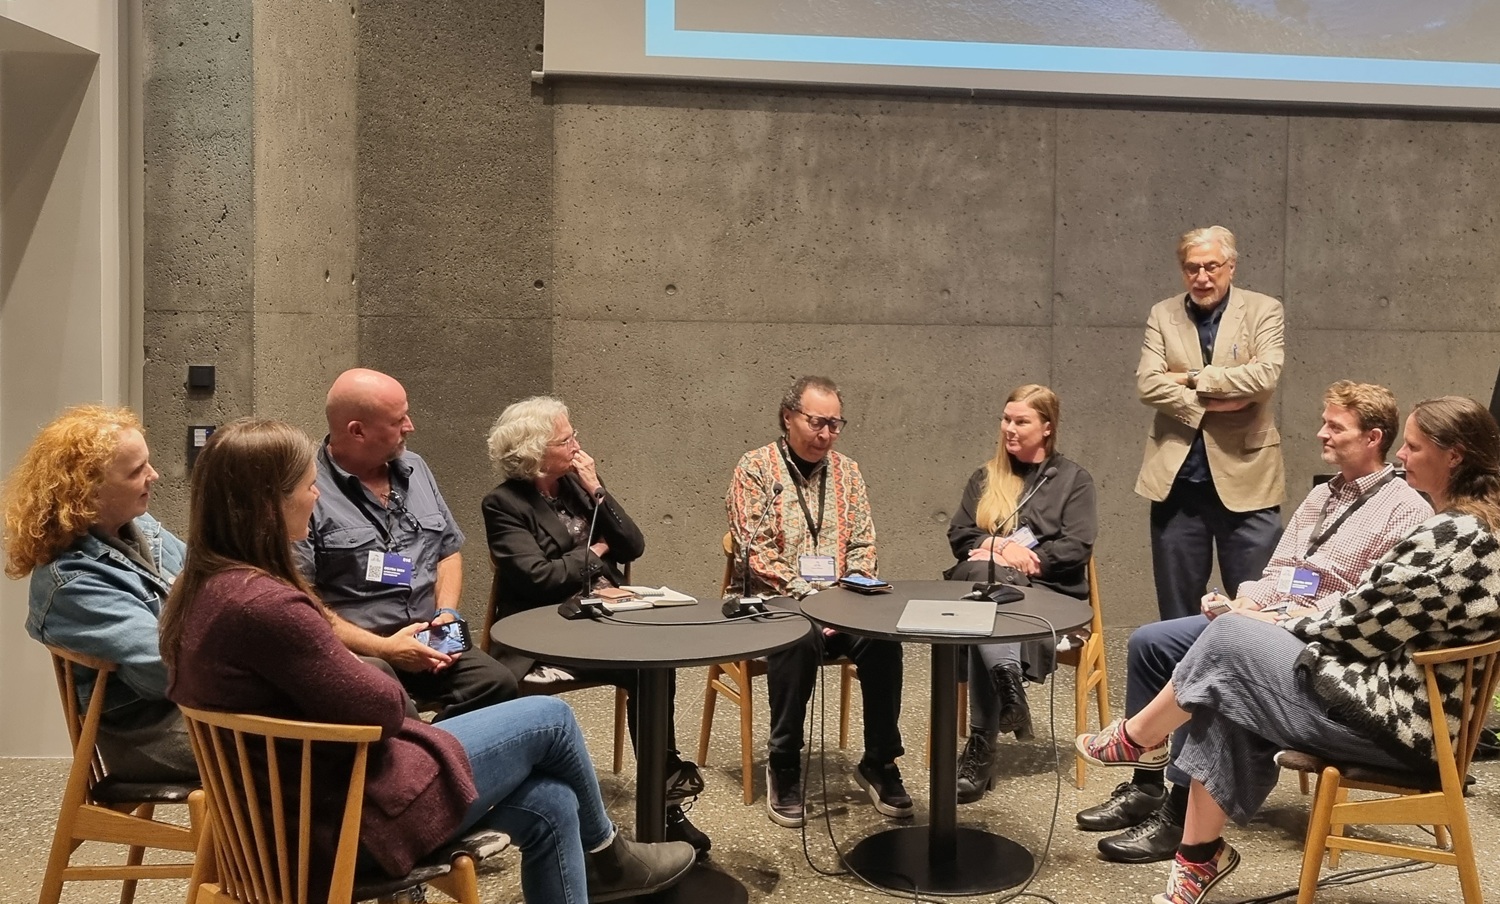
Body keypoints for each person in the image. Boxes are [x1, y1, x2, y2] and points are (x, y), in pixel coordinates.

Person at [160, 418, 695, 903]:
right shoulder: (268, 605)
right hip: (337, 825)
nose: (314, 494)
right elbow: (385, 707)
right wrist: (380, 662)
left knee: (552, 802)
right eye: (306, 486)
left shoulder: (203, 587)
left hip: (281, 816)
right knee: (552, 721)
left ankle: (603, 861)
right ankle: (608, 856)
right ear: (266, 505)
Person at [1078, 396, 1500, 904]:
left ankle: (1138, 738)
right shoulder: (1471, 526)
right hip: (1392, 701)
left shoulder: (1454, 534)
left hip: (1403, 725)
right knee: (1226, 683)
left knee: (1230, 640)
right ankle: (1196, 858)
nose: (1402, 456)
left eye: (1411, 446)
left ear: (1454, 455)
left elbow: (1360, 627)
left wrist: (1275, 621)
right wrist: (1263, 610)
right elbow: (1353, 609)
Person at [481, 396, 710, 855]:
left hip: (604, 619)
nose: (578, 444)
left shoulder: (579, 485)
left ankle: (663, 801)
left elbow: (633, 545)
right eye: (567, 439)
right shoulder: (504, 504)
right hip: (545, 631)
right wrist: (596, 555)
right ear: (535, 450)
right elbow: (537, 579)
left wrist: (598, 491)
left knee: (655, 667)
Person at [726, 375, 909, 828]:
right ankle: (784, 760)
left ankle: (880, 762)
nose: (825, 435)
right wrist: (811, 598)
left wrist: (850, 591)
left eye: (834, 424)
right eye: (816, 422)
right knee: (798, 636)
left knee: (884, 639)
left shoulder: (848, 471)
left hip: (842, 600)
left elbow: (865, 543)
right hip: (778, 600)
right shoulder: (755, 469)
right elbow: (753, 549)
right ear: (788, 417)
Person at [294, 368, 516, 719]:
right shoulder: (308, 490)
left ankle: (440, 757)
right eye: (398, 420)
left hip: (427, 635)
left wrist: (446, 612)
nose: (410, 426)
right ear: (357, 430)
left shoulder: (416, 467)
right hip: (361, 649)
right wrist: (386, 648)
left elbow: (448, 552)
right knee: (396, 711)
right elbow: (303, 601)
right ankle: (427, 759)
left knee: (498, 683)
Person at [4, 405, 195, 781]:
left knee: (313, 721)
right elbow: (166, 672)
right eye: (136, 471)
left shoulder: (142, 528)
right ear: (86, 492)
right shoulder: (71, 582)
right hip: (146, 737)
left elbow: (216, 584)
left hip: (189, 709)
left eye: (148, 463)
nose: (153, 475)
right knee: (301, 744)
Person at [944, 385, 1097, 803]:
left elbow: (1077, 547)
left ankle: (981, 743)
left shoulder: (1073, 480)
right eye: (1006, 419)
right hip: (989, 582)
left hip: (1049, 592)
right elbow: (960, 533)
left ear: (1047, 428)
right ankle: (1008, 683)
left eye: (1021, 421)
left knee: (980, 611)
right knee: (983, 587)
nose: (1009, 428)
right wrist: (998, 547)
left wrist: (1023, 557)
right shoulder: (986, 475)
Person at [1136, 225, 1285, 621]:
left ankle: (1248, 685)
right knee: (1178, 613)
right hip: (1178, 485)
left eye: (1211, 267)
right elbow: (1148, 384)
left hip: (1249, 480)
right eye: (1191, 268)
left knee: (1255, 611)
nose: (1201, 278)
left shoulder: (1263, 310)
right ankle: (1183, 684)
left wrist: (1187, 377)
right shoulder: (1162, 314)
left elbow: (1265, 377)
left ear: (1231, 267)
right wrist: (1217, 400)